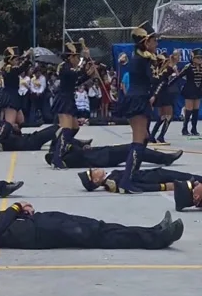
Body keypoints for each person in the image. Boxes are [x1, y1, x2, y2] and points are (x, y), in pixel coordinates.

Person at [0, 201, 183, 250]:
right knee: (94, 234)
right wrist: (14, 208)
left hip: (35, 223)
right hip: (36, 232)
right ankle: (156, 238)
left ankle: (153, 231)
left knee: (96, 227)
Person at [118, 23, 161, 192]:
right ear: (146, 42)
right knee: (138, 140)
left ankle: (132, 177)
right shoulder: (144, 58)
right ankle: (126, 182)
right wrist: (169, 68)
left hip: (138, 98)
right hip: (138, 99)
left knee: (143, 139)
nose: (156, 44)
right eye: (154, 40)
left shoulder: (140, 57)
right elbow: (154, 79)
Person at [51, 42, 93, 167]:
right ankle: (57, 157)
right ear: (70, 57)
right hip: (63, 99)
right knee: (67, 129)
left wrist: (89, 74)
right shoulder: (64, 67)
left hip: (69, 99)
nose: (77, 59)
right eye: (76, 57)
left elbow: (78, 80)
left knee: (75, 127)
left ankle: (58, 145)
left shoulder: (70, 67)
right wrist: (85, 59)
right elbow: (75, 73)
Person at [45, 137, 181, 169]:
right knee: (134, 149)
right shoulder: (68, 158)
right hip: (105, 157)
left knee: (134, 150)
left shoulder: (69, 153)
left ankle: (163, 158)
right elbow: (79, 152)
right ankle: (165, 158)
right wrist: (71, 147)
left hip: (105, 153)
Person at [79, 166, 201, 194]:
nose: (96, 168)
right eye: (93, 171)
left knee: (189, 178)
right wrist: (163, 186)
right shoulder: (112, 183)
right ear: (95, 180)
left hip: (152, 174)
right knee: (189, 179)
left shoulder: (110, 178)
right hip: (153, 178)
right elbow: (138, 186)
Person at [149, 52, 180, 145]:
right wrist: (155, 95)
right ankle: (161, 136)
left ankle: (152, 135)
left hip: (160, 92)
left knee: (162, 116)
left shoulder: (162, 70)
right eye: (178, 56)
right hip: (163, 93)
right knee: (168, 116)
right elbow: (162, 83)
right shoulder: (169, 69)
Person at [0, 48, 32, 126]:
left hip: (15, 95)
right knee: (9, 123)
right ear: (10, 60)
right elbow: (19, 69)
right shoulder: (8, 67)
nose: (17, 61)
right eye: (16, 60)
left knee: (21, 122)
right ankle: (2, 136)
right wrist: (26, 58)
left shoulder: (11, 67)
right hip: (10, 96)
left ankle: (16, 137)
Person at [181, 49, 202, 137]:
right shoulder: (188, 66)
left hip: (198, 90)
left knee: (196, 110)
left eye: (201, 57)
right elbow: (179, 76)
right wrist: (169, 83)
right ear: (192, 58)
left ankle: (194, 128)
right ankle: (184, 128)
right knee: (189, 110)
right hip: (189, 89)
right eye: (197, 57)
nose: (200, 59)